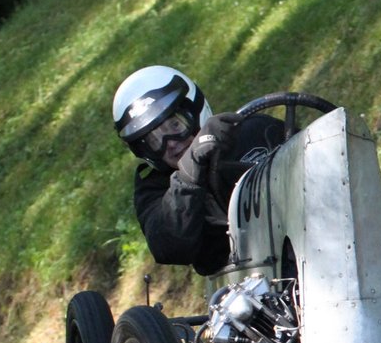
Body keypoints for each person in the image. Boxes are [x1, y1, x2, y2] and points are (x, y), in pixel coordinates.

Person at [112, 65, 285, 275]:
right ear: (144, 150)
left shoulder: (255, 131)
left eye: (175, 126)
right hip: (246, 291)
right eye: (154, 140)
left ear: (194, 111)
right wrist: (189, 173)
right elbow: (169, 248)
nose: (171, 143)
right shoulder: (153, 188)